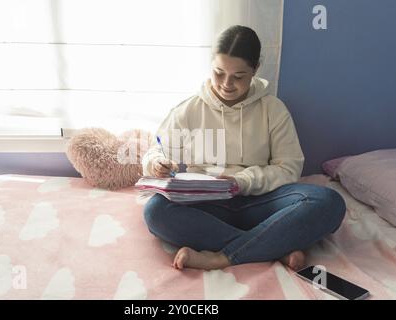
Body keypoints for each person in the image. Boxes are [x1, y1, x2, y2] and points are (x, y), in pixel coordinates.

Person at [141, 25, 346, 271]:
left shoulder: (273, 109)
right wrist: (156, 164)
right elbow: (159, 150)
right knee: (156, 210)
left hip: (262, 202)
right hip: (208, 205)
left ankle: (223, 257)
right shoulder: (188, 110)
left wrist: (241, 181)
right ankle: (273, 245)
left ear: (255, 70)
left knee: (328, 201)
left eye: (238, 76)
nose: (226, 84)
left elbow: (289, 167)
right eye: (219, 73)